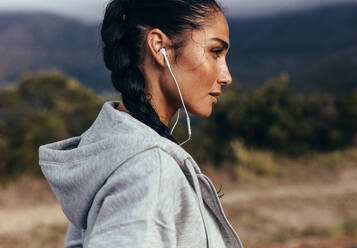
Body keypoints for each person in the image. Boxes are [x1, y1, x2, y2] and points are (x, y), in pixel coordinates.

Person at [39, 0, 243, 247]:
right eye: (215, 52)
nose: (226, 76)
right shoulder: (147, 169)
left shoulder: (117, 158)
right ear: (159, 47)